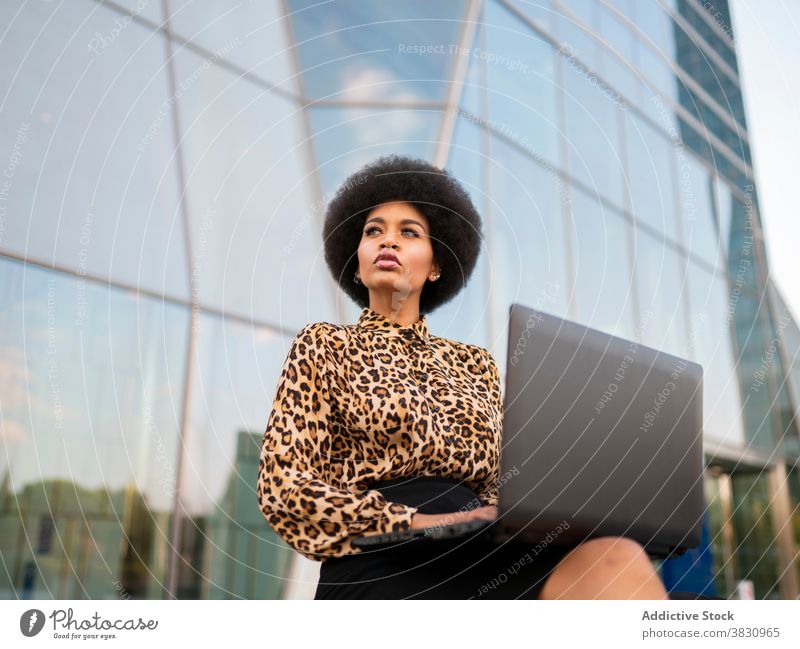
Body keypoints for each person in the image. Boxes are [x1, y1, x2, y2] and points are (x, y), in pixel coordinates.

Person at [256, 153, 669, 599]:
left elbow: (499, 485)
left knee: (618, 558)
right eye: (373, 231)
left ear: (436, 265)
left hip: (483, 546)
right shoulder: (325, 344)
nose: (387, 241)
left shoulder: (476, 364)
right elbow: (284, 484)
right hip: (382, 553)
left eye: (408, 232)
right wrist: (420, 522)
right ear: (356, 263)